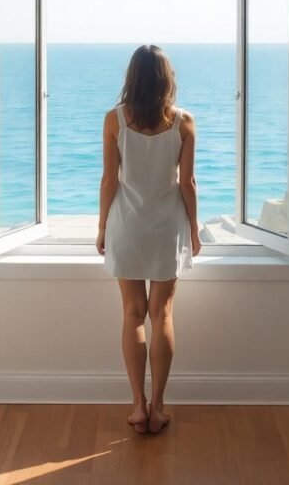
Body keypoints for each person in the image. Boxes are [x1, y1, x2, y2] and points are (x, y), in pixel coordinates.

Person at [96, 44, 202, 435]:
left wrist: (103, 226)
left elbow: (109, 181)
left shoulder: (114, 121)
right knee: (163, 315)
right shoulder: (183, 123)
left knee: (131, 314)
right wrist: (193, 227)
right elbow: (187, 184)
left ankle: (137, 407)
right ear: (166, 79)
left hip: (127, 226)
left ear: (132, 79)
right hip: (165, 229)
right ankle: (158, 407)